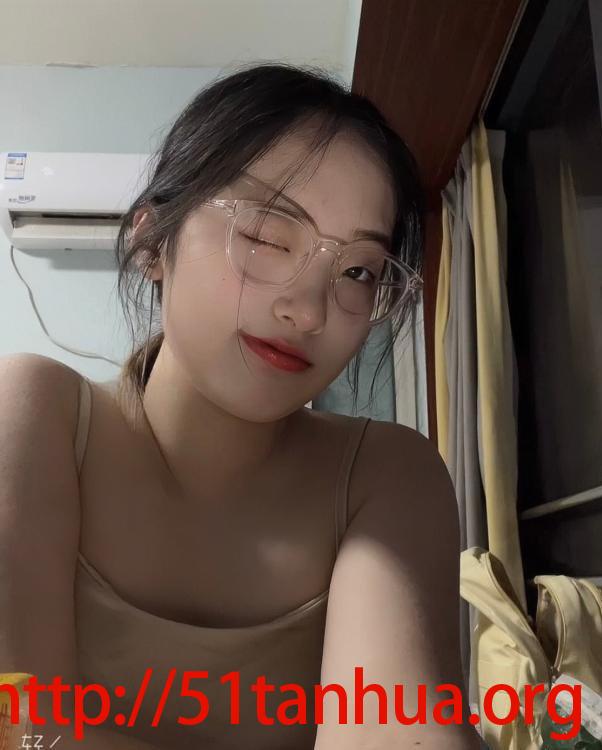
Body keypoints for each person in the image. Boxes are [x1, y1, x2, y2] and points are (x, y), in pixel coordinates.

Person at [0, 64, 480, 749]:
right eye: (266, 236)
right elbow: (20, 728)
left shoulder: (387, 476)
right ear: (152, 240)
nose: (308, 310)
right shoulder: (34, 413)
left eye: (357, 271)